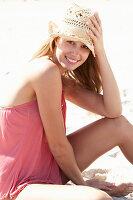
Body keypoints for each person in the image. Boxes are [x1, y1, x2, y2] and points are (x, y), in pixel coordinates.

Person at [0, 2, 133, 200]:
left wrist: (101, 51)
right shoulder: (45, 72)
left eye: (84, 46)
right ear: (56, 39)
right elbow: (58, 146)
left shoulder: (60, 79)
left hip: (46, 166)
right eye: (70, 41)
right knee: (98, 198)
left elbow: (113, 111)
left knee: (119, 126)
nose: (75, 53)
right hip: (18, 182)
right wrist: (83, 184)